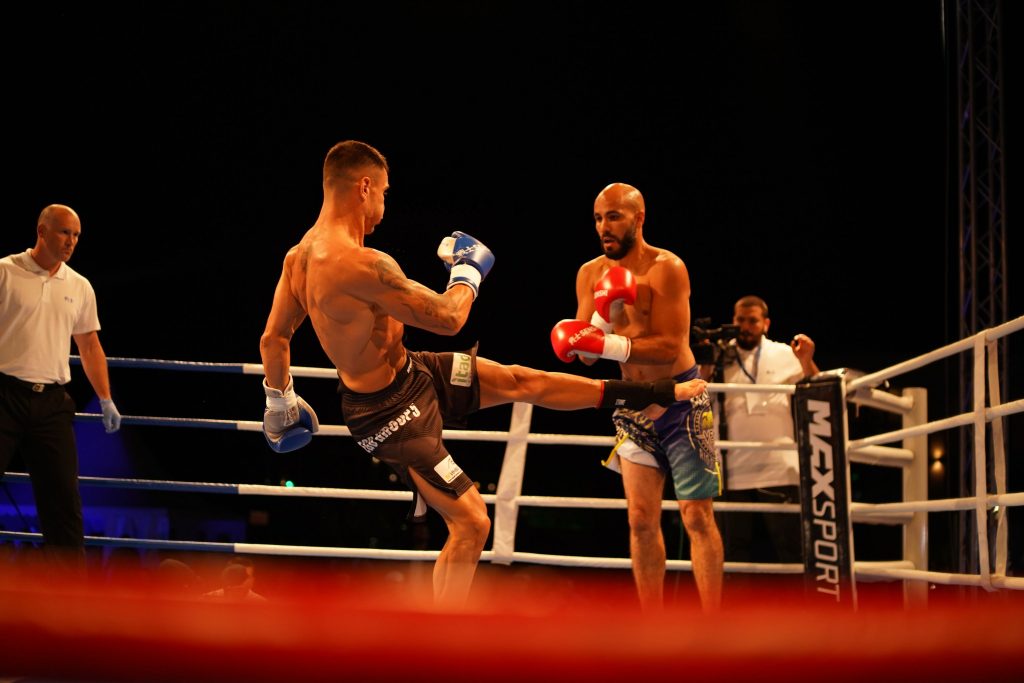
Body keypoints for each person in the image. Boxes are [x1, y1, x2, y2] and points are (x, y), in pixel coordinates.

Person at [258, 141, 707, 609]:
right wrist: (468, 272)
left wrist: (280, 402)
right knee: (472, 523)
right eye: (385, 193)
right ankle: (444, 640)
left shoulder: (298, 257)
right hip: (387, 414)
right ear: (365, 187)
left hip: (414, 372)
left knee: (522, 381)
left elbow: (274, 339)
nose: (384, 206)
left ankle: (652, 391)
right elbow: (450, 318)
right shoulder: (361, 264)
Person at [552, 182, 723, 612]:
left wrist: (605, 342)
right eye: (597, 218)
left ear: (639, 218)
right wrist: (602, 323)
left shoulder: (668, 268)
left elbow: (669, 346)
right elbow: (585, 356)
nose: (603, 227)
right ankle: (652, 626)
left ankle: (713, 624)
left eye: (613, 217)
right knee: (640, 520)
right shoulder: (589, 273)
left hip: (681, 401)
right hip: (633, 405)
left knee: (696, 516)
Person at [0, 204, 121, 571]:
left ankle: (69, 595)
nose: (71, 241)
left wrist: (105, 398)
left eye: (76, 235)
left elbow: (89, 345)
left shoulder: (80, 286)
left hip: (52, 403)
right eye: (65, 232)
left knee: (64, 503)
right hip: (4, 395)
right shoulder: (5, 271)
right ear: (42, 231)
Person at [716, 295, 819, 566]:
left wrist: (806, 359)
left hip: (778, 465)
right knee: (732, 553)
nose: (745, 327)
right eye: (740, 320)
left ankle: (798, 596)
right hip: (730, 468)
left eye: (752, 321)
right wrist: (705, 362)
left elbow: (817, 388)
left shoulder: (784, 353)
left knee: (792, 547)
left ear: (766, 324)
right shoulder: (719, 355)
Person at [202, 555, 267, 602]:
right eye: (236, 576)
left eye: (245, 577)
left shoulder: (261, 603)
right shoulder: (207, 599)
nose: (240, 581)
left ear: (252, 580)